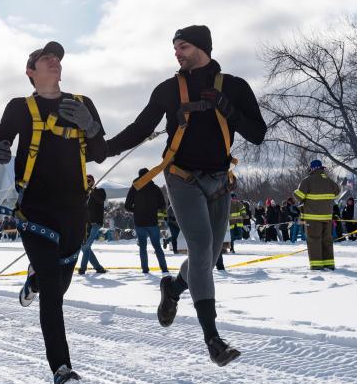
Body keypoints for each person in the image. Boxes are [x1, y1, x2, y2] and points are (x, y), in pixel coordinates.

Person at [105, 24, 266, 366]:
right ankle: (213, 339)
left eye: (183, 46)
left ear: (203, 47)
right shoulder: (168, 89)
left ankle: (174, 289)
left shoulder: (235, 86)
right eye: (175, 47)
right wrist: (102, 149)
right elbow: (140, 128)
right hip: (181, 177)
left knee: (206, 254)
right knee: (200, 247)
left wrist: (227, 108)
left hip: (220, 180)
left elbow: (258, 134)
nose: (177, 52)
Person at [0, 41, 107, 384]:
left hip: (74, 210)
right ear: (31, 72)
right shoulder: (20, 107)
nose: (55, 61)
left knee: (57, 284)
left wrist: (90, 126)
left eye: (58, 58)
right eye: (46, 58)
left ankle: (35, 280)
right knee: (54, 294)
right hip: (35, 208)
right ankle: (61, 369)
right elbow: (0, 139)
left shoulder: (83, 103)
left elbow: (99, 152)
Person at [294, 160, 341, 270]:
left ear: (312, 169)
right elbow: (337, 191)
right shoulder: (330, 181)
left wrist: (295, 192)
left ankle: (316, 265)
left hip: (312, 218)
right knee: (327, 241)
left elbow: (299, 196)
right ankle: (329, 264)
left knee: (314, 240)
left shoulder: (307, 181)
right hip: (327, 218)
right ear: (322, 168)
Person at [124, 168, 170, 274]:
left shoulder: (134, 188)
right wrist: (161, 218)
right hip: (153, 222)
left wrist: (136, 210)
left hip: (139, 222)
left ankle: (145, 270)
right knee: (157, 246)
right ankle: (164, 269)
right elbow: (162, 205)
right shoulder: (155, 188)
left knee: (143, 247)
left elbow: (127, 206)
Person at [78, 174, 108, 275]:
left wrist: (92, 190)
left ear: (93, 181)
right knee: (85, 247)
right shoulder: (84, 194)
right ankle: (98, 268)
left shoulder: (100, 191)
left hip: (96, 223)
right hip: (86, 224)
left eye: (89, 180)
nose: (88, 182)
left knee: (86, 246)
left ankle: (82, 269)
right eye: (86, 181)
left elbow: (100, 200)